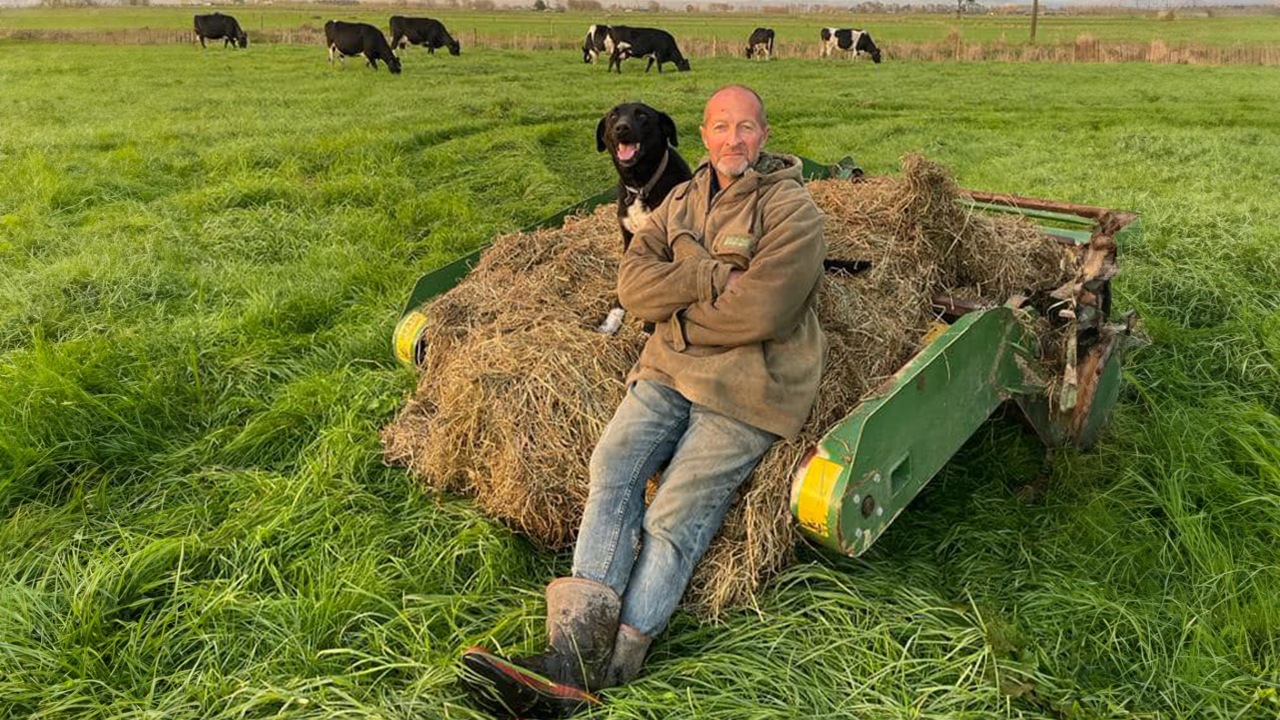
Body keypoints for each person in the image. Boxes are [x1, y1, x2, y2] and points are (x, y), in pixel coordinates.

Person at [461, 84, 827, 718]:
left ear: (764, 136)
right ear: (704, 136)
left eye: (745, 127)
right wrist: (706, 278)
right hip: (668, 368)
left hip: (750, 383)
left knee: (674, 514)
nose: (733, 139)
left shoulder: (793, 211)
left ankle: (608, 667)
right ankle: (572, 656)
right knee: (613, 466)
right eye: (721, 127)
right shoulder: (679, 199)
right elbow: (632, 287)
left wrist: (675, 311)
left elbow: (763, 312)